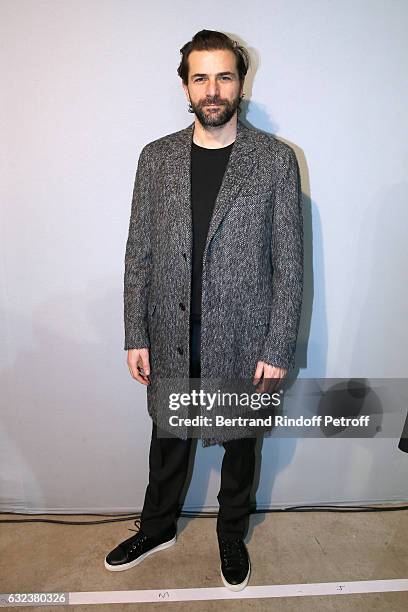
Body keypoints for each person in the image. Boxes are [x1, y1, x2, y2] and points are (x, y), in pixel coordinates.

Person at [104, 29, 304, 591]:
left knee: (240, 446)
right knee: (168, 441)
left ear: (241, 82)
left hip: (243, 337)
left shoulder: (274, 162)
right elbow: (137, 254)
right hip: (169, 332)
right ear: (185, 86)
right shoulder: (156, 158)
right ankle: (159, 525)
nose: (212, 89)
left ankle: (231, 534)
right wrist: (134, 331)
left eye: (224, 76)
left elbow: (289, 264)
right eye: (201, 78)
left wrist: (276, 346)